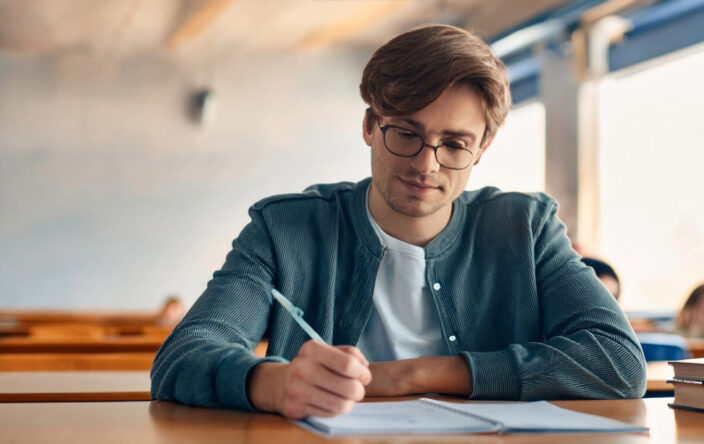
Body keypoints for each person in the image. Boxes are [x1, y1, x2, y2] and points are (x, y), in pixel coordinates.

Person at [150, 24, 646, 418]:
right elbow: (184, 355)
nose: (426, 165)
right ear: (370, 125)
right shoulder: (286, 230)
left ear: (481, 150)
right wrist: (272, 383)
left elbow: (618, 361)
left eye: (454, 144)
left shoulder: (526, 228)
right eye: (406, 133)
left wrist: (416, 375)